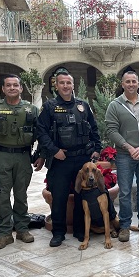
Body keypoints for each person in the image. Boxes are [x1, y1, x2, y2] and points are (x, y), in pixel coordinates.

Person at [0, 74, 43, 250]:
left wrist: (41, 155)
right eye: (8, 85)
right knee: (2, 196)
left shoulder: (31, 110)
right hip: (1, 157)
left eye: (15, 85)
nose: (12, 88)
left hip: (23, 157)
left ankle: (21, 229)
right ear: (3, 89)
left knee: (21, 195)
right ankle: (5, 233)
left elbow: (44, 134)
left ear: (21, 88)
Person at [36, 70, 101, 247]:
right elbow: (41, 132)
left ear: (73, 85)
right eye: (62, 83)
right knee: (59, 198)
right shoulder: (49, 107)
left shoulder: (83, 105)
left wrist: (97, 149)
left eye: (68, 83)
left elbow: (94, 129)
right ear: (56, 86)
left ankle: (80, 230)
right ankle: (58, 233)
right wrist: (54, 150)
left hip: (82, 160)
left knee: (82, 196)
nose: (65, 86)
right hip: (60, 160)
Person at [105, 71, 139, 242]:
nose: (131, 84)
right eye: (127, 81)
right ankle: (125, 225)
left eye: (133, 81)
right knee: (125, 191)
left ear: (138, 84)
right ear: (122, 84)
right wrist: (128, 147)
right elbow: (111, 130)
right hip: (124, 155)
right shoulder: (115, 105)